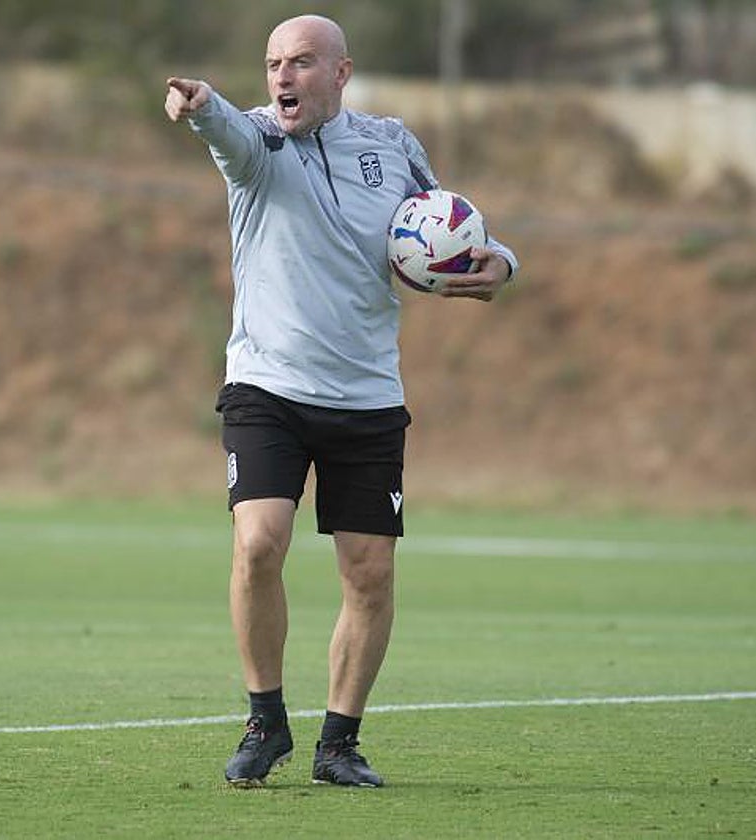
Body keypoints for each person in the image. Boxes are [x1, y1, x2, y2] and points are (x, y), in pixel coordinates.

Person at [165, 15, 518, 787]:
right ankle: (266, 721)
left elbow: (451, 223)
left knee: (369, 573)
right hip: (268, 383)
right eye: (272, 64)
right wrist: (203, 105)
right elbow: (226, 133)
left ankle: (339, 744)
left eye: (299, 63)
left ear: (340, 72)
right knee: (259, 541)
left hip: (367, 392)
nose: (282, 78)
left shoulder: (391, 146)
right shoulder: (257, 142)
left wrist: (504, 264)